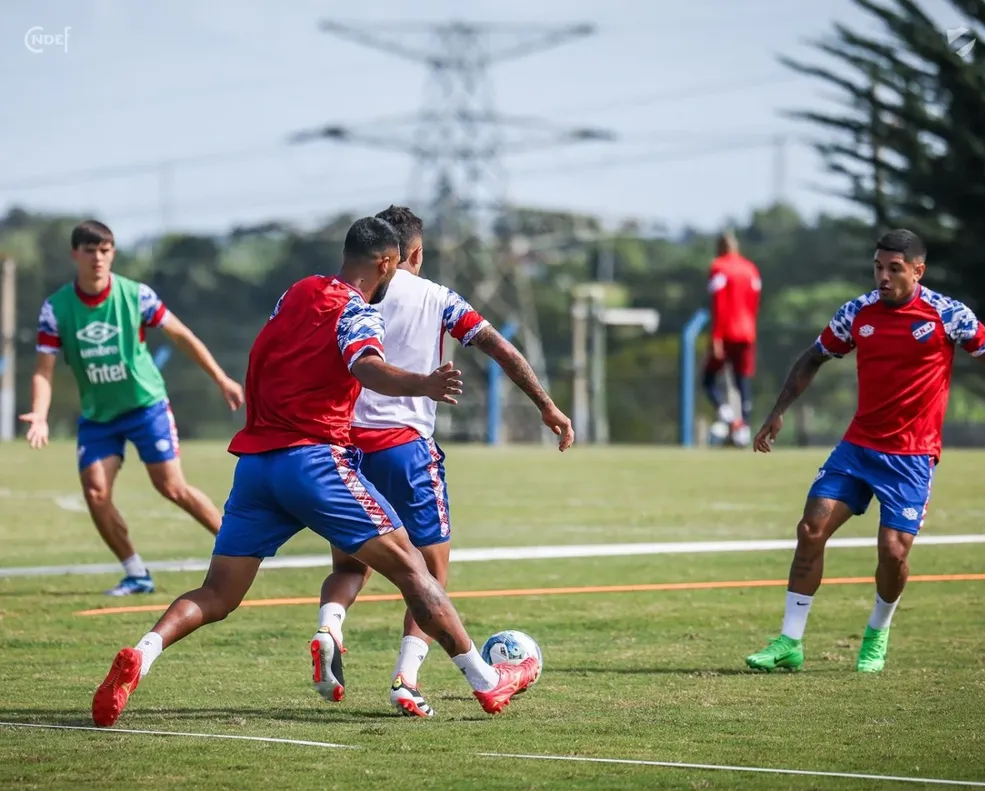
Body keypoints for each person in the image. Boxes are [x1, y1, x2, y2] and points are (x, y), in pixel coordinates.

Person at [91, 216, 540, 728]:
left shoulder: (295, 293)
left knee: (216, 594)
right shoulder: (359, 312)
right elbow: (366, 367)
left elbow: (275, 352)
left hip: (257, 466)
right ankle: (488, 682)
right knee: (416, 571)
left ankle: (142, 654)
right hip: (313, 462)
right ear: (386, 263)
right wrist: (425, 383)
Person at [309, 205, 574, 718]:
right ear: (415, 253)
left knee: (350, 564)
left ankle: (329, 627)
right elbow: (499, 348)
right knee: (429, 574)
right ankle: (405, 680)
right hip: (406, 450)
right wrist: (546, 405)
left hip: (345, 448)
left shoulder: (345, 294)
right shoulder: (437, 297)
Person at [746, 229, 985, 674]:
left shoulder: (947, 315)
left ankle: (877, 633)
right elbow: (813, 356)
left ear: (917, 271)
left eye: (894, 269)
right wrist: (778, 410)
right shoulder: (857, 312)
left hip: (913, 457)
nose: (883, 277)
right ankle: (789, 642)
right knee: (810, 530)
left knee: (893, 553)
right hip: (858, 448)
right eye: (877, 267)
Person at [21, 220, 244, 596]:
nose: (98, 258)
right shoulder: (56, 309)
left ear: (113, 254)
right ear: (75, 254)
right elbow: (43, 371)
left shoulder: (135, 296)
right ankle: (136, 573)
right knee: (95, 493)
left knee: (171, 487)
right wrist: (40, 414)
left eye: (105, 250)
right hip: (99, 416)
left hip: (146, 406)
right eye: (89, 250)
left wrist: (221, 378)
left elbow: (182, 336)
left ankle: (241, 551)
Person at [702, 230, 761, 446]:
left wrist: (715, 336)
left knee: (708, 380)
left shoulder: (718, 267)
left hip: (726, 332)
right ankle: (743, 427)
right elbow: (755, 302)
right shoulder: (751, 269)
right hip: (747, 332)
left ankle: (728, 418)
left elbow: (718, 303)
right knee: (742, 380)